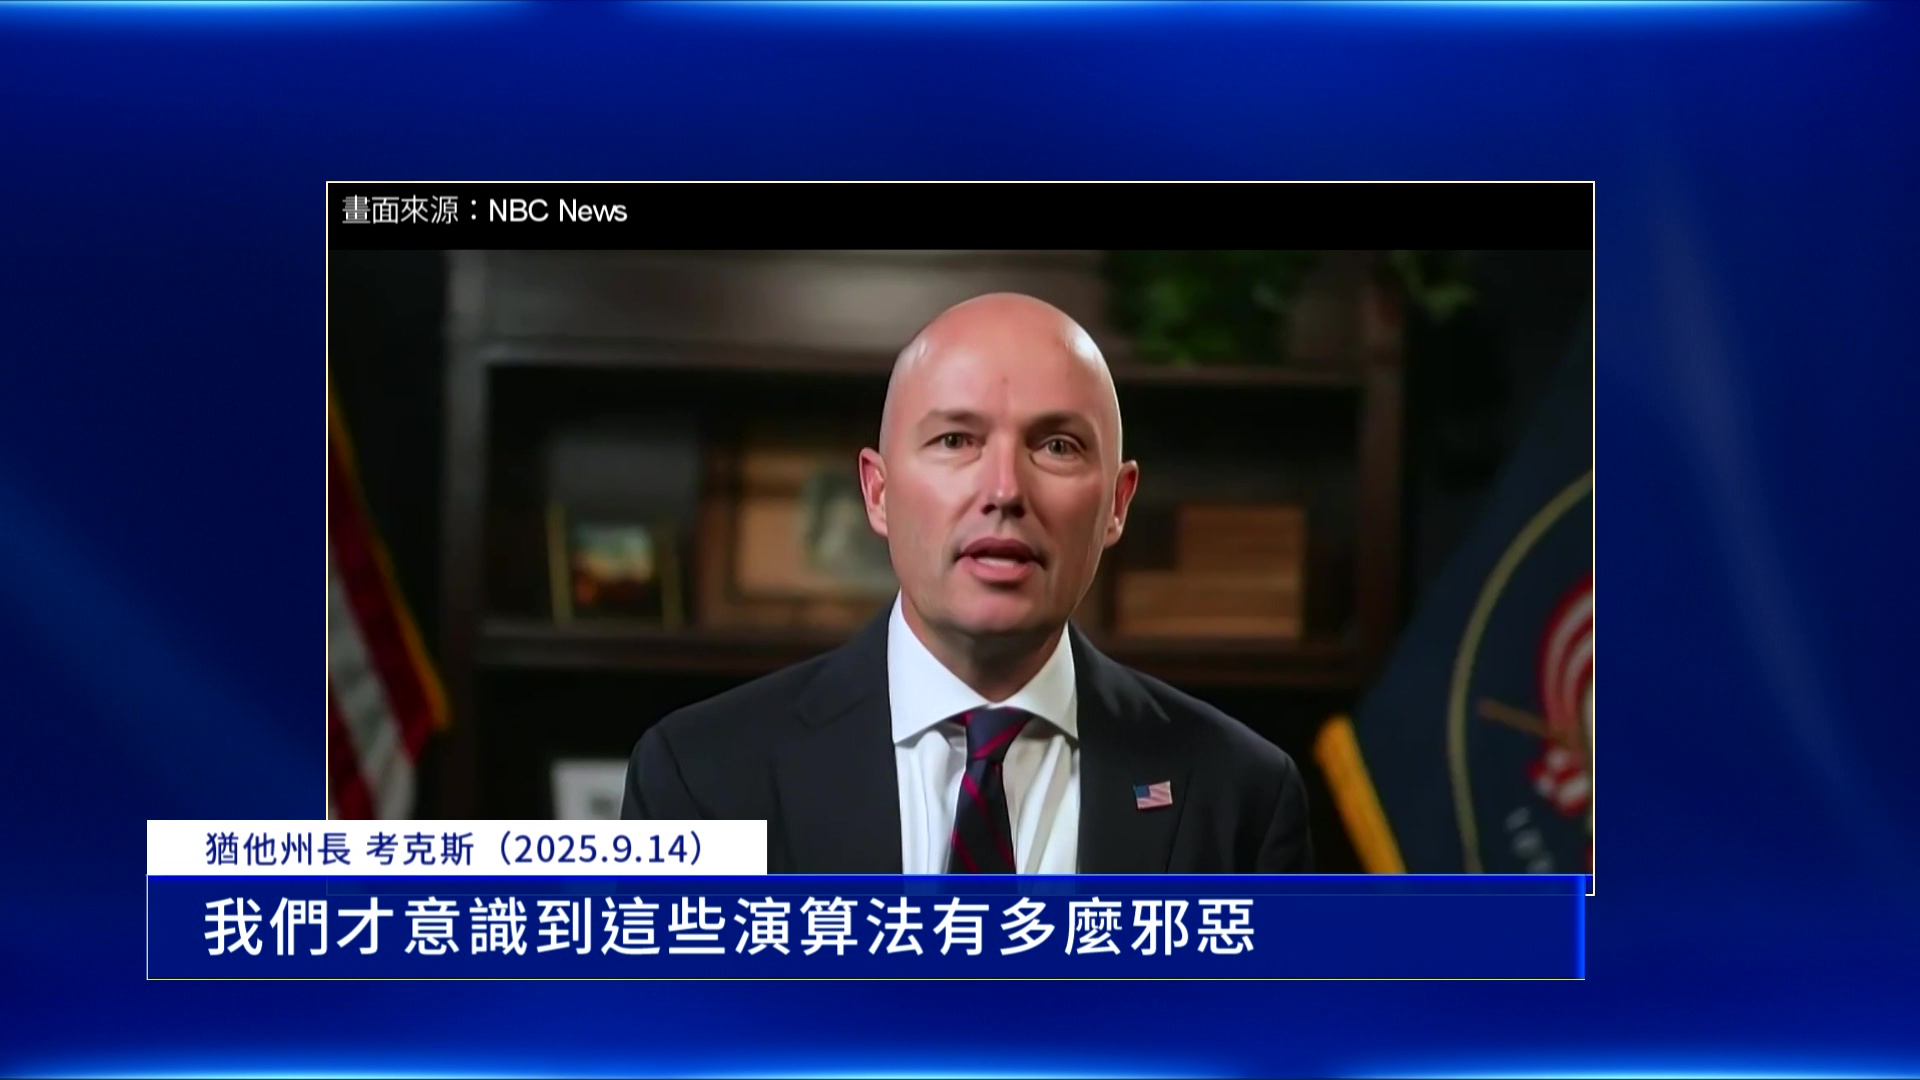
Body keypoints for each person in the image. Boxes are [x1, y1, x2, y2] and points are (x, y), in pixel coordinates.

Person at [621, 293, 1313, 874]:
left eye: (1057, 446)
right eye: (955, 440)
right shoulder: (698, 776)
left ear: (1117, 504)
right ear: (878, 493)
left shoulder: (1242, 795)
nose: (1004, 490)